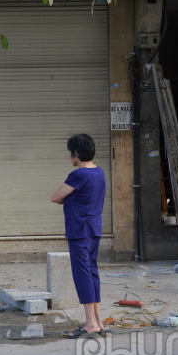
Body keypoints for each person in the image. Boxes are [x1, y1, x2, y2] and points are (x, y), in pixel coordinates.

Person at [51, 134, 106, 339]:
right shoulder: (99, 172)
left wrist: (67, 199)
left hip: (79, 231)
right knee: (92, 272)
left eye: (70, 152)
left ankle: (91, 323)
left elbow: (55, 197)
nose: (69, 156)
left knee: (82, 274)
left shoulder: (78, 175)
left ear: (76, 153)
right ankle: (98, 321)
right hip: (94, 229)